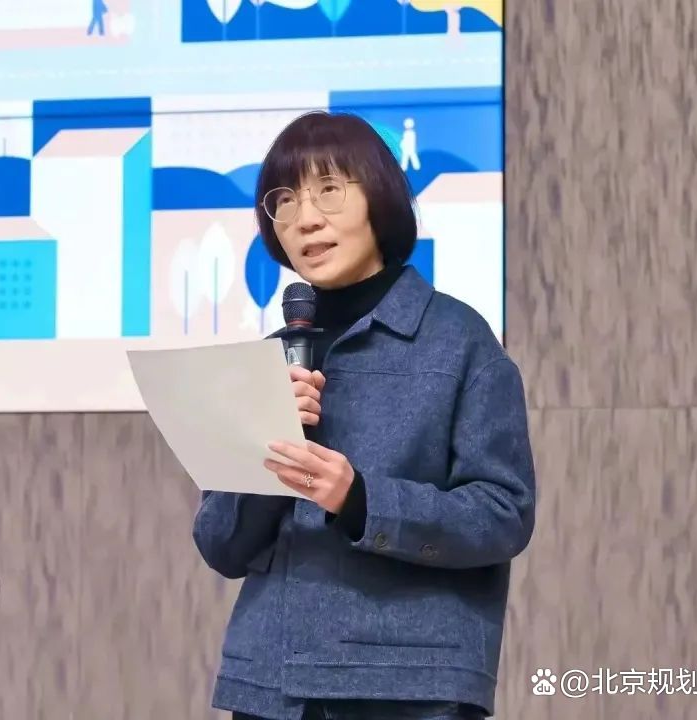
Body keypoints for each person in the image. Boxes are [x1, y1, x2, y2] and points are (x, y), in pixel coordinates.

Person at [192, 111, 536, 720]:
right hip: (271, 687)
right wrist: (268, 450)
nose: (305, 218)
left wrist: (360, 500)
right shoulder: (268, 359)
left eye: (328, 189)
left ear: (380, 196)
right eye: (284, 201)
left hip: (408, 685)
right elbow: (220, 544)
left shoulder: (459, 341)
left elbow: (503, 515)